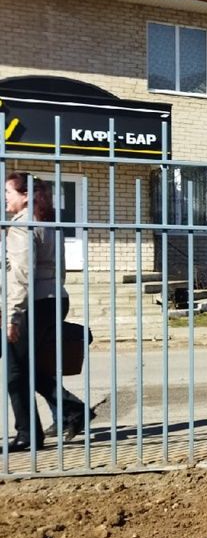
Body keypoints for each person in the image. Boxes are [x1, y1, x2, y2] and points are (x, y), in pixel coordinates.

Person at [4, 172, 91, 450]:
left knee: (16, 371)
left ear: (25, 195)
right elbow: (60, 268)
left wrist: (13, 315)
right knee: (31, 366)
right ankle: (72, 411)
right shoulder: (48, 222)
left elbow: (21, 273)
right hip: (54, 298)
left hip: (33, 302)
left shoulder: (22, 226)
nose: (5, 197)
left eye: (8, 192)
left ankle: (29, 433)